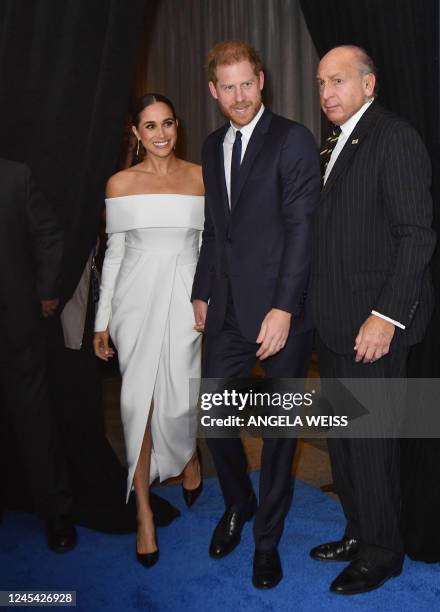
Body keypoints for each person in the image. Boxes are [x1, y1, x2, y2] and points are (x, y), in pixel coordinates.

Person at [191, 41, 321, 589]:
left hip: (281, 313)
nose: (240, 96)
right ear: (214, 91)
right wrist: (201, 290)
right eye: (229, 87)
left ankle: (266, 540)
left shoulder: (293, 139)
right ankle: (238, 503)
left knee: (280, 432)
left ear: (262, 80)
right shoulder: (212, 142)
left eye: (248, 83)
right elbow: (217, 231)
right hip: (224, 309)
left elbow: (301, 230)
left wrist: (283, 307)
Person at [310, 45, 435, 595]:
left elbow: (416, 235)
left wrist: (385, 316)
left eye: (338, 81)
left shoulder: (395, 136)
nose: (327, 92)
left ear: (369, 84)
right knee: (345, 437)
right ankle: (360, 531)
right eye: (320, 83)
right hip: (334, 320)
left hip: (374, 325)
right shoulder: (336, 140)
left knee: (374, 439)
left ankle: (383, 552)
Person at [93, 94, 204, 568]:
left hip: (186, 300)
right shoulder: (120, 184)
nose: (160, 134)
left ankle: (188, 455)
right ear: (136, 133)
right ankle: (143, 513)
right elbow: (114, 256)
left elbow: (207, 245)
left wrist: (210, 300)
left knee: (182, 399)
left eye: (167, 124)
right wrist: (101, 320)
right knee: (138, 402)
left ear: (177, 127)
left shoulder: (201, 177)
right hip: (134, 302)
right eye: (149, 126)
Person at [0, 158, 76, 552]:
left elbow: (49, 234)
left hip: (15, 325)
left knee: (34, 421)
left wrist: (47, 291)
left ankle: (57, 513)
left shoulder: (15, 176)